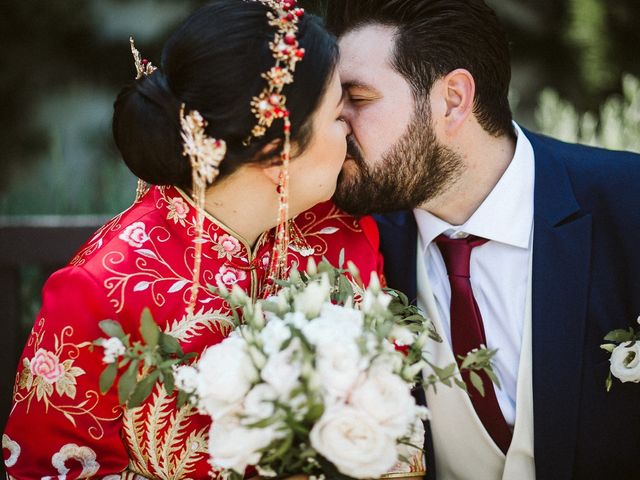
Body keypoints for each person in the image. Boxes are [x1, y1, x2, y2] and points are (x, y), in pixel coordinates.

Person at [2, 1, 403, 478]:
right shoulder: (103, 289)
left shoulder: (347, 235)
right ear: (277, 153)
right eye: (339, 115)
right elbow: (45, 468)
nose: (353, 131)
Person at [326, 0, 640, 479]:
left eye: (358, 98)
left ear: (453, 100)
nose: (334, 124)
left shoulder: (629, 206)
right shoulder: (346, 252)